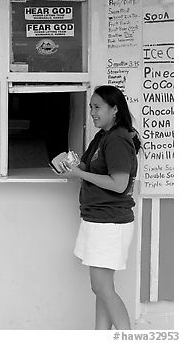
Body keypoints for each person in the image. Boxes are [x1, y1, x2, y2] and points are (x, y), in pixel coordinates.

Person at [55, 85, 140, 330]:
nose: (92, 112)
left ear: (114, 109)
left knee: (102, 288)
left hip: (110, 222)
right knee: (102, 290)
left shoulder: (118, 139)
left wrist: (80, 172)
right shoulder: (103, 136)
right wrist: (71, 166)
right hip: (98, 220)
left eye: (97, 107)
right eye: (91, 107)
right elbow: (87, 167)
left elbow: (119, 183)